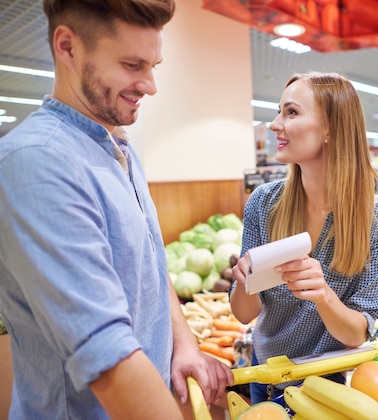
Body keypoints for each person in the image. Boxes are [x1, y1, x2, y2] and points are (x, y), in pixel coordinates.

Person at [0, 1, 233, 418]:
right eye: (131, 64)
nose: (150, 84)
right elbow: (108, 357)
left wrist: (183, 344)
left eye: (153, 65)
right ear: (68, 47)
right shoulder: (37, 160)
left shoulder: (117, 144)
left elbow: (150, 263)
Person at [229, 71, 378, 403]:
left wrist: (323, 295)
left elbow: (356, 334)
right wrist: (245, 281)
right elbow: (243, 314)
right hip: (266, 376)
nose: (274, 124)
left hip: (333, 388)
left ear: (330, 128)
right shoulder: (264, 203)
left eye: (291, 112)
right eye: (279, 111)